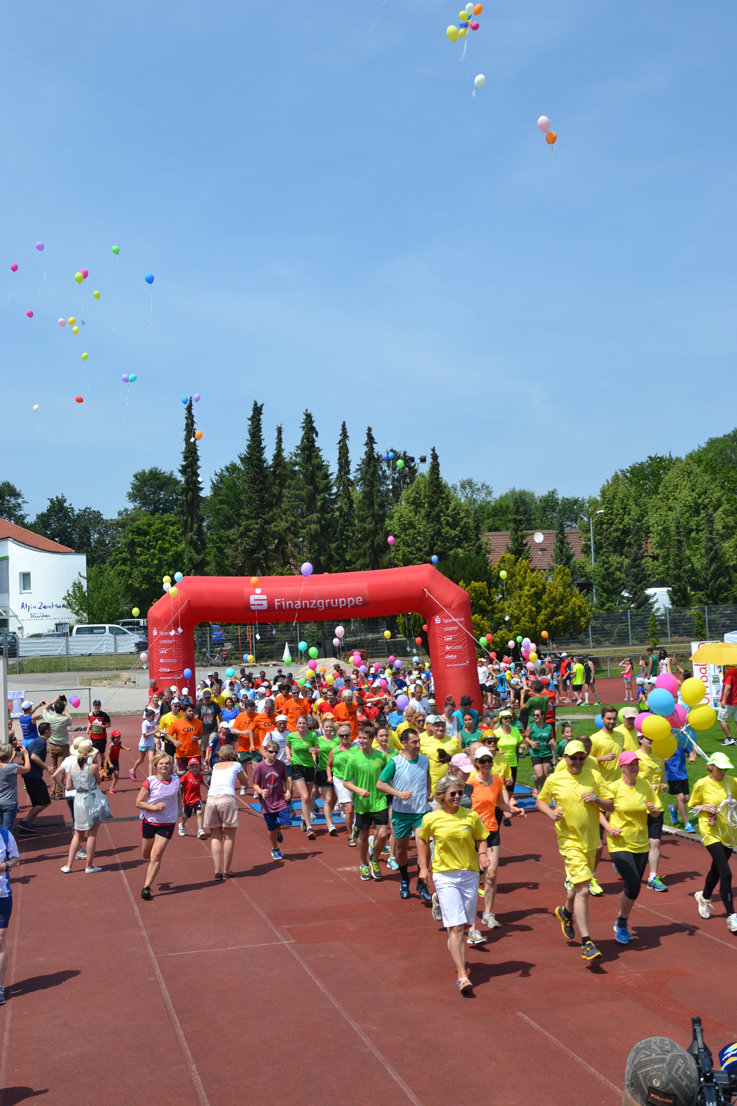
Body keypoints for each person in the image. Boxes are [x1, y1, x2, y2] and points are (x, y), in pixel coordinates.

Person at [536, 740, 613, 962]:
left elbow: (611, 805)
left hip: (591, 841)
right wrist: (551, 813)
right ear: (565, 758)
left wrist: (597, 799)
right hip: (569, 841)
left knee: (580, 886)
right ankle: (587, 941)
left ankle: (566, 912)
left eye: (581, 758)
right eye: (573, 758)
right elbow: (541, 801)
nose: (578, 762)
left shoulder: (594, 776)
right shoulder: (555, 779)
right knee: (584, 890)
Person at [418, 775, 490, 993]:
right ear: (442, 796)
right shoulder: (432, 819)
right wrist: (423, 867)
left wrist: (483, 854)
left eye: (460, 792)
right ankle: (462, 974)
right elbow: (422, 839)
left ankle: (439, 901)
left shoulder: (471, 816)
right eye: (453, 793)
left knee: (466, 925)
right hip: (444, 875)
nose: (458, 796)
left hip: (468, 874)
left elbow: (482, 837)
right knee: (457, 928)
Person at [599, 750, 658, 944]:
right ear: (622, 767)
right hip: (619, 842)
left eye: (636, 764)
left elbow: (656, 813)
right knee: (633, 884)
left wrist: (653, 810)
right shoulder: (613, 787)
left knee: (632, 889)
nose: (634, 767)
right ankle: (623, 925)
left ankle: (621, 920)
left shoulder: (645, 785)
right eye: (631, 764)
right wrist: (608, 828)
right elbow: (598, 811)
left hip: (640, 843)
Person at [465, 746, 525, 936]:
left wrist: (514, 810)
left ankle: (488, 913)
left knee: (491, 874)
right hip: (472, 832)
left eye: (489, 761)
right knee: (472, 874)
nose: (486, 764)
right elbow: (464, 806)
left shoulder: (498, 781)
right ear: (476, 763)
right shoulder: (470, 781)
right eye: (482, 761)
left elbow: (500, 803)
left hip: (491, 830)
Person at [376, 728, 433, 902]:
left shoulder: (424, 760)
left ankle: (422, 883)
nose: (418, 745)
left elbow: (427, 776)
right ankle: (405, 879)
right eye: (414, 742)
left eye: (419, 742)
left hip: (421, 812)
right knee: (401, 850)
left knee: (424, 845)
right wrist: (398, 794)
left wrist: (429, 789)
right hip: (401, 814)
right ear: (405, 743)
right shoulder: (395, 762)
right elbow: (380, 784)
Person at [689, 752, 737, 932]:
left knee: (716, 868)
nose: (723, 772)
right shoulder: (702, 784)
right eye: (720, 768)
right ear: (711, 766)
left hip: (729, 832)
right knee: (726, 872)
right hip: (710, 831)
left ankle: (704, 897)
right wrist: (705, 807)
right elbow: (692, 804)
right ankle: (732, 916)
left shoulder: (732, 782)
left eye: (726, 769)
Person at [342, 726, 389, 881]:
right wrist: (359, 790)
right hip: (362, 803)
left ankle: (374, 858)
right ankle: (363, 864)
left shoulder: (380, 757)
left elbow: (386, 778)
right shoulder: (354, 758)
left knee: (382, 835)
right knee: (362, 835)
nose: (361, 741)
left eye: (364, 738)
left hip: (379, 801)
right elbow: (346, 782)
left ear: (372, 740)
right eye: (359, 738)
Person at [136, 753, 181, 900]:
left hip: (168, 822)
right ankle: (151, 862)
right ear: (155, 766)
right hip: (150, 821)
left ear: (170, 765)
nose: (164, 766)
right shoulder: (150, 781)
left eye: (167, 763)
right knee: (146, 854)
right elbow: (138, 802)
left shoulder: (176, 781)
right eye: (161, 764)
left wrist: (180, 810)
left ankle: (146, 887)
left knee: (156, 855)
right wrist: (154, 808)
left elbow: (179, 795)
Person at [204, 745, 248, 879]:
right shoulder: (236, 765)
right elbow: (245, 782)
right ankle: (226, 870)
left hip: (211, 799)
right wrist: (239, 763)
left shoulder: (216, 766)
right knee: (229, 837)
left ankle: (217, 870)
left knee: (215, 837)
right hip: (227, 798)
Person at [60, 738, 104, 874]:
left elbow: (68, 786)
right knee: (92, 835)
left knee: (77, 834)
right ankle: (89, 866)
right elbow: (99, 782)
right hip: (90, 798)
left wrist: (78, 786)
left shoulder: (72, 767)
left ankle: (68, 865)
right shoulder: (93, 767)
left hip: (78, 798)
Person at [636, 731, 669, 892]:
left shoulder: (659, 757)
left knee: (655, 841)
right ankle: (623, 864)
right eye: (648, 737)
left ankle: (652, 877)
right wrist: (648, 787)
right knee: (637, 843)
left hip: (656, 806)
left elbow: (663, 780)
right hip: (638, 805)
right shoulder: (634, 757)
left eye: (653, 737)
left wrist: (664, 786)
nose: (651, 740)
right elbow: (629, 781)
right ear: (640, 739)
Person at [253, 741, 292, 860]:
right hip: (267, 803)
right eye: (271, 752)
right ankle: (275, 849)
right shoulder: (260, 766)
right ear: (266, 751)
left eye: (276, 752)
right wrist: (260, 791)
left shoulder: (281, 765)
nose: (273, 754)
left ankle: (278, 830)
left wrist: (288, 790)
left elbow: (285, 779)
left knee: (287, 824)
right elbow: (255, 784)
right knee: (271, 828)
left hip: (279, 799)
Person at [15, 721, 53, 837]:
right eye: (50, 730)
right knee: (45, 801)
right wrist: (47, 767)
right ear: (47, 732)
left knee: (38, 802)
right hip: (33, 776)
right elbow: (33, 756)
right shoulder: (41, 742)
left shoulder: (36, 740)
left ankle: (27, 825)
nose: (51, 732)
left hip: (31, 775)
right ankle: (25, 821)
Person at [285, 715, 319, 839]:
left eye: (303, 723)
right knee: (304, 797)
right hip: (297, 767)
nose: (301, 726)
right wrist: (288, 755)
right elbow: (287, 746)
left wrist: (315, 751)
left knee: (309, 797)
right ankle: (309, 827)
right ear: (296, 724)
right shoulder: (291, 736)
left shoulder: (312, 736)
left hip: (310, 768)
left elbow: (318, 749)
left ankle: (305, 820)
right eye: (299, 723)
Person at [328, 725, 356, 843]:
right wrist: (329, 776)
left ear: (350, 735)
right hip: (340, 780)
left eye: (346, 735)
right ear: (338, 737)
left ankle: (356, 827)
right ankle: (351, 835)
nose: (344, 737)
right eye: (341, 735)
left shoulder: (356, 749)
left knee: (355, 808)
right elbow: (329, 765)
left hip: (355, 780)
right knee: (348, 808)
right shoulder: (334, 750)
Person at [43, 699, 74, 799]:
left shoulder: (50, 717)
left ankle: (53, 792)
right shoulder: (64, 719)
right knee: (61, 769)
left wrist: (50, 703)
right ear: (62, 709)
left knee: (54, 768)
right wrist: (65, 707)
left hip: (52, 745)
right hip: (62, 746)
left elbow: (44, 710)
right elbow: (70, 719)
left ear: (55, 709)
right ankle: (58, 792)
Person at [421, 715, 461, 792]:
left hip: (451, 786)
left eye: (443, 725)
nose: (440, 728)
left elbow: (460, 760)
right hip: (432, 788)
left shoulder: (453, 740)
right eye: (437, 726)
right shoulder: (423, 742)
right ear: (431, 727)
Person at [312, 716, 338, 834]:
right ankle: (330, 824)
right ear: (322, 727)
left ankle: (328, 815)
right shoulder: (318, 740)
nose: (328, 729)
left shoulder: (337, 740)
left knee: (334, 799)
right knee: (327, 798)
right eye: (326, 727)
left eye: (330, 727)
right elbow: (314, 752)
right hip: (323, 770)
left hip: (337, 771)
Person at [665, 737, 696, 832]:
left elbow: (688, 749)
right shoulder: (664, 743)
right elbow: (661, 758)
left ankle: (673, 808)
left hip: (683, 773)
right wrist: (666, 758)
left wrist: (691, 756)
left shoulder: (679, 741)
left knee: (686, 798)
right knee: (681, 798)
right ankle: (687, 824)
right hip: (672, 775)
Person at [523, 708, 555, 796]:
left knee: (545, 775)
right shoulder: (531, 727)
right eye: (534, 715)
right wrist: (531, 743)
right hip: (535, 753)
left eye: (537, 715)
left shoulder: (549, 727)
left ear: (543, 716)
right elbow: (525, 737)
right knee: (540, 774)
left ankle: (542, 791)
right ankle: (536, 788)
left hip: (546, 752)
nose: (535, 717)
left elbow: (552, 737)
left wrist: (552, 740)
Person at [0, 744, 31, 831]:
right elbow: (27, 768)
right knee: (6, 831)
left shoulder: (9, 767)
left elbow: (4, 767)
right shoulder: (12, 767)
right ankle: (5, 844)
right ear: (9, 754)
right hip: (9, 802)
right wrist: (26, 755)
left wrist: (10, 759)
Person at [166, 704, 204, 775]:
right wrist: (174, 742)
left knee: (196, 775)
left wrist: (197, 737)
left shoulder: (199, 722)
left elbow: (201, 734)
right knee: (182, 775)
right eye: (189, 711)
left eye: (193, 711)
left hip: (195, 753)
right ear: (184, 712)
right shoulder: (177, 723)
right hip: (181, 754)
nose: (192, 713)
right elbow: (168, 734)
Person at [493, 710, 524, 789]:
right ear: (501, 720)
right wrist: (496, 751)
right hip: (500, 761)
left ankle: (509, 799)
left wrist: (522, 745)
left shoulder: (515, 730)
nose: (508, 720)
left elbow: (519, 742)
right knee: (500, 783)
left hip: (512, 760)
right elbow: (489, 746)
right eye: (505, 718)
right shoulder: (496, 732)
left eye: (509, 718)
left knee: (510, 784)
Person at [179, 758, 207, 839]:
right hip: (187, 800)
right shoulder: (186, 776)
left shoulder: (199, 776)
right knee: (186, 817)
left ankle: (200, 830)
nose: (194, 769)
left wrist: (210, 788)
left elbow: (202, 783)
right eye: (192, 767)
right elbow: (178, 782)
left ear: (198, 767)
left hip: (197, 798)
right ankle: (182, 825)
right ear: (189, 768)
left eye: (196, 767)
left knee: (199, 812)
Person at [130, 708, 158, 780]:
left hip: (151, 743)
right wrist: (154, 732)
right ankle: (133, 770)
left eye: (154, 716)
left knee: (151, 760)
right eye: (152, 716)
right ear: (148, 716)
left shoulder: (153, 722)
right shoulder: (145, 723)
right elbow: (144, 735)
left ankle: (150, 777)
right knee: (141, 760)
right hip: (143, 744)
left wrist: (158, 735)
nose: (154, 718)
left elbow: (155, 730)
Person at [194, 687, 221, 758]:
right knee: (203, 747)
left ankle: (209, 760)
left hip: (213, 729)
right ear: (203, 697)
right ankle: (205, 760)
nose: (208, 699)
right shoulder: (199, 705)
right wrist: (195, 728)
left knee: (211, 745)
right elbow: (196, 717)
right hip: (203, 730)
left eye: (209, 697)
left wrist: (221, 726)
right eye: (206, 698)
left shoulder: (215, 705)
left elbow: (219, 716)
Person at [719, 664, 737, 747]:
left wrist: (723, 700)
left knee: (721, 719)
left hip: (730, 701)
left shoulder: (729, 673)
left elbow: (728, 687)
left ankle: (730, 739)